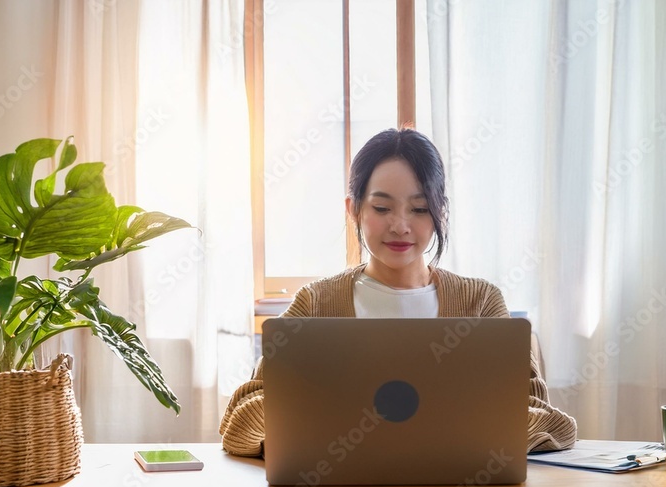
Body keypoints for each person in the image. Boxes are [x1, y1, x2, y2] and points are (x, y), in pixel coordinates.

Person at [219, 128, 577, 457]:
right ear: (353, 209)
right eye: (381, 207)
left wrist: (460, 433)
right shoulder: (316, 303)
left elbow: (539, 413)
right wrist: (318, 429)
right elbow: (243, 415)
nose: (400, 226)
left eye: (419, 209)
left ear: (441, 213)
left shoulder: (479, 303)